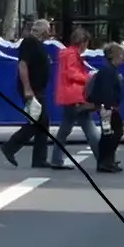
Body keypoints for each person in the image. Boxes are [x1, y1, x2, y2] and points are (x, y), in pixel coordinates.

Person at [0, 18, 53, 169]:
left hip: (38, 88)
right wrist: (27, 88)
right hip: (32, 88)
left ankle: (39, 159)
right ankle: (10, 146)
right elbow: (22, 65)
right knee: (39, 121)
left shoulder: (38, 44)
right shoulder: (29, 42)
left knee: (42, 122)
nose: (50, 33)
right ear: (43, 31)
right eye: (48, 30)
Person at [49, 26, 101, 170]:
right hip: (75, 96)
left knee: (64, 130)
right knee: (90, 129)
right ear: (82, 42)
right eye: (86, 43)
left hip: (68, 97)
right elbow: (72, 73)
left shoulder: (68, 54)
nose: (87, 47)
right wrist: (88, 77)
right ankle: (102, 159)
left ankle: (56, 160)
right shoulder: (72, 55)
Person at [90, 42, 124, 173]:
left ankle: (106, 160)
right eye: (121, 55)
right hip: (108, 108)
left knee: (110, 133)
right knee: (113, 133)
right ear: (113, 57)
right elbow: (106, 91)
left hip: (107, 107)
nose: (123, 58)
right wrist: (108, 107)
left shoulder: (108, 70)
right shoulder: (108, 71)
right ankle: (106, 161)